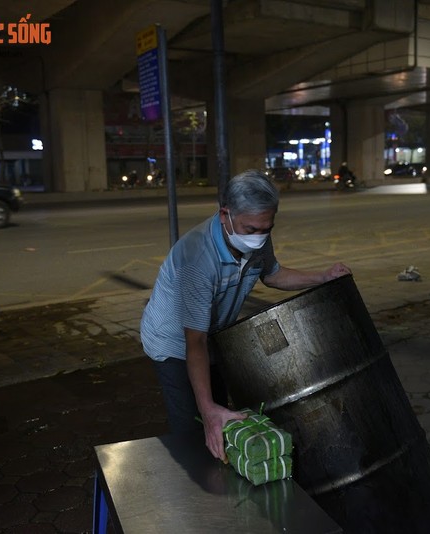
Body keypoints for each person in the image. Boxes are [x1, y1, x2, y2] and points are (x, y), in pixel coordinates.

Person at [140, 169, 352, 461]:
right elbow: (194, 342)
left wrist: (323, 277)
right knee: (194, 424)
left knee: (221, 411)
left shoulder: (258, 236)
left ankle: (218, 456)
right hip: (174, 341)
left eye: (267, 228)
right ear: (225, 215)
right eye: (251, 229)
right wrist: (206, 409)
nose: (259, 237)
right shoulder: (197, 260)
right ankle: (191, 484)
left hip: (212, 335)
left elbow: (273, 275)